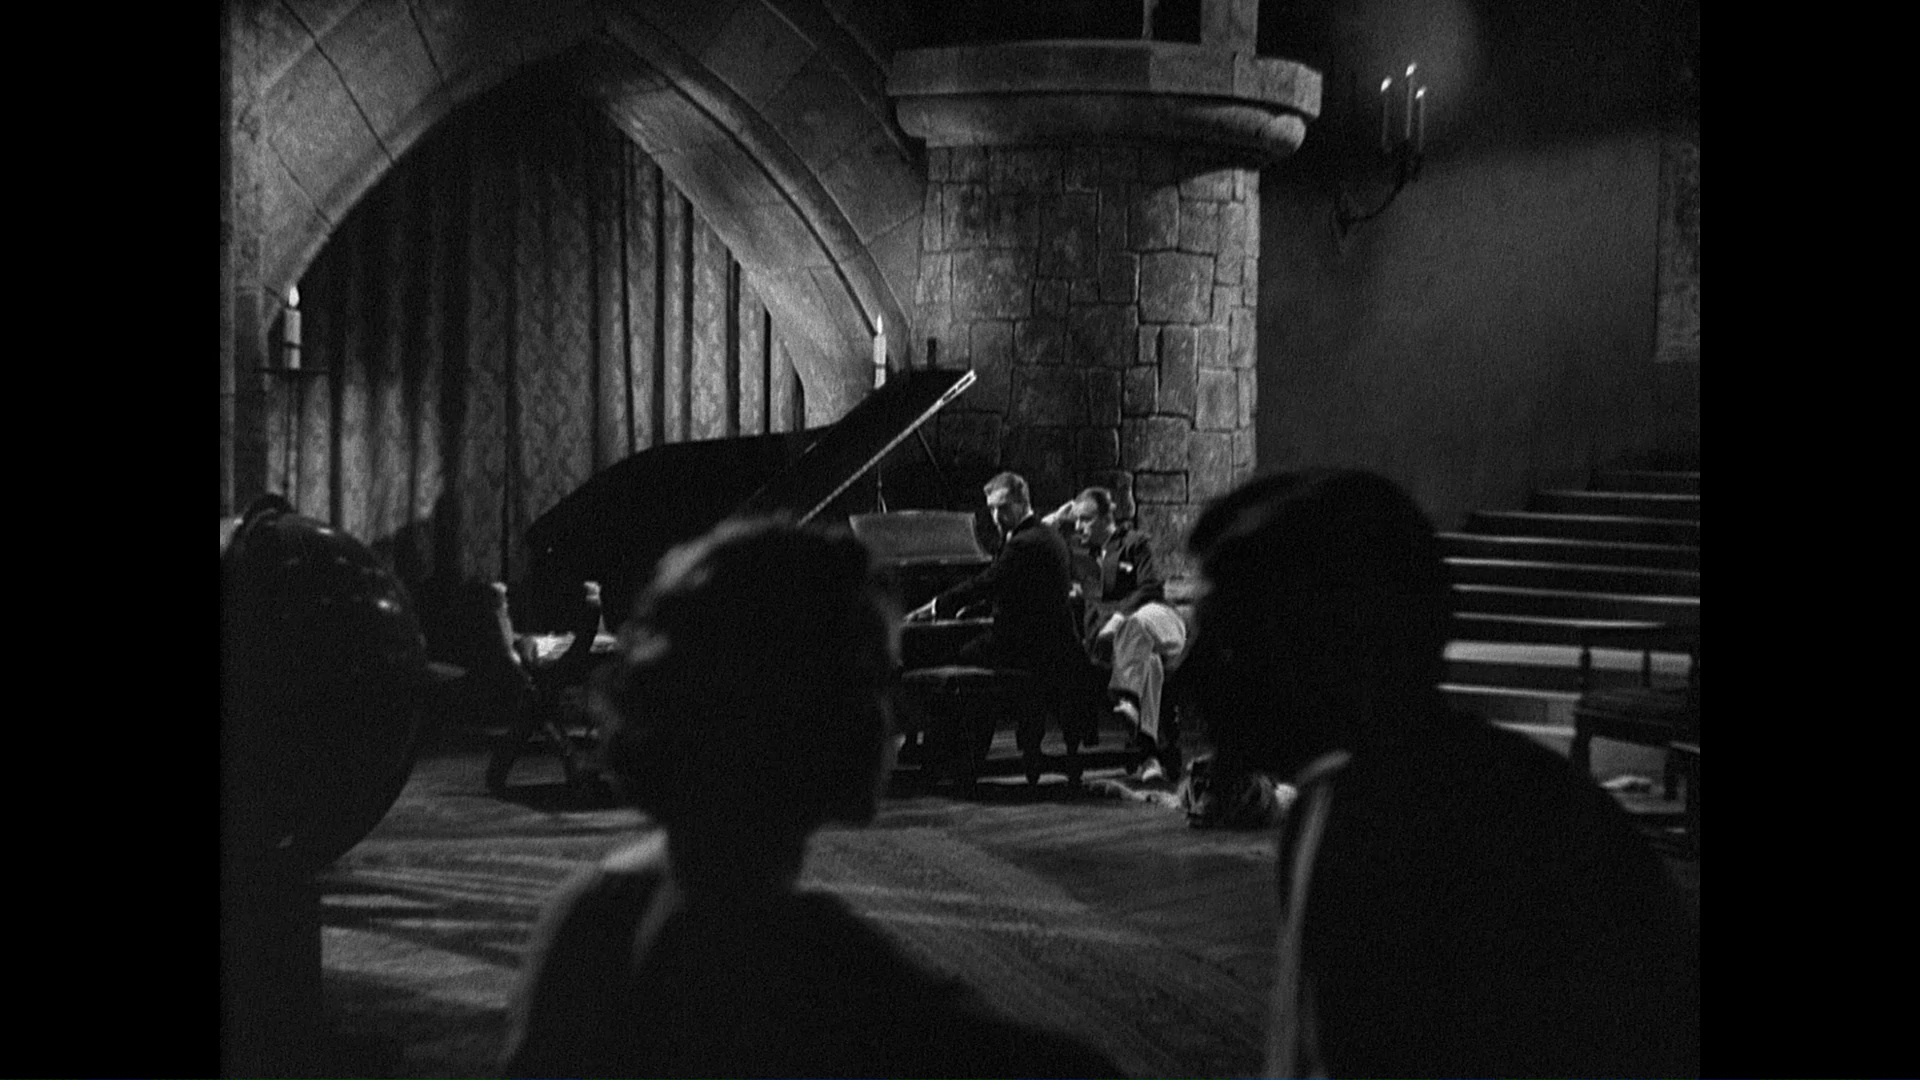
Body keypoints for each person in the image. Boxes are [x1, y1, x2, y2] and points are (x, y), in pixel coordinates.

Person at [499, 517, 1127, 1080]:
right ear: (808, 712)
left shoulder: (589, 908)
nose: (895, 710)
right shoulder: (816, 972)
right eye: (877, 679)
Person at [1184, 468, 1699, 1080]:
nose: (1193, 675)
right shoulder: (1365, 794)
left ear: (1326, 650)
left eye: (1228, 639)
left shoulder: (1401, 833)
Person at [906, 471, 1093, 782]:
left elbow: (987, 582)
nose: (995, 516)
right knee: (967, 654)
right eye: (991, 508)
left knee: (960, 660)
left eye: (1003, 508)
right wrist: (975, 609)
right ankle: (956, 755)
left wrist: (935, 606)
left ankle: (953, 758)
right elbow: (1017, 589)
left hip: (1033, 650)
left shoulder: (1025, 542)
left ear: (1022, 503)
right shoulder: (1044, 535)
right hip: (1050, 644)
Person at [1045, 487, 1189, 781]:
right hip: (1122, 644)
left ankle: (1125, 696)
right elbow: (1035, 541)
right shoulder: (1076, 553)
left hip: (1156, 619)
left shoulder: (1134, 543)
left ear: (1106, 518)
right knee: (1150, 664)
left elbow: (1151, 587)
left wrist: (1119, 617)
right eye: (1076, 520)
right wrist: (1055, 519)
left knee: (1136, 624)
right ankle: (1148, 756)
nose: (1079, 526)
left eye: (1086, 519)